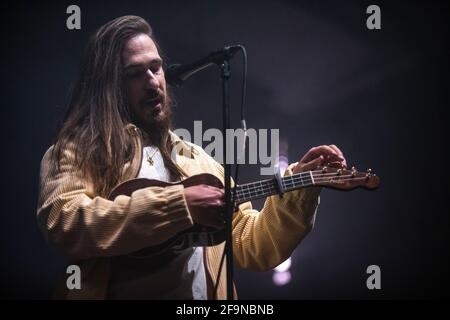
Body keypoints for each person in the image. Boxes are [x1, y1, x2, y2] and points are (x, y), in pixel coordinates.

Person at [37, 15, 347, 300]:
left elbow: (252, 245)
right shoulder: (79, 149)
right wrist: (179, 205)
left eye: (155, 67)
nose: (152, 81)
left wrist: (298, 190)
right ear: (108, 85)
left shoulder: (197, 160)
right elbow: (66, 223)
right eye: (135, 73)